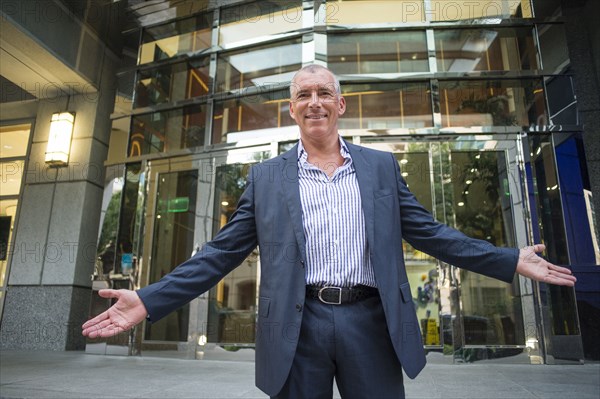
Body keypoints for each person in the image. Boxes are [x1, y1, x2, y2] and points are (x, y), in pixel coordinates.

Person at [82, 64, 576, 398]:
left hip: (370, 321)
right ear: (291, 110)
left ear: (341, 105)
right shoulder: (266, 177)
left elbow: (431, 233)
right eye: (303, 95)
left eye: (324, 94)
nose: (314, 102)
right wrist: (149, 299)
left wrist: (508, 258)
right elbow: (219, 253)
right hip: (298, 326)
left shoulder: (380, 168)